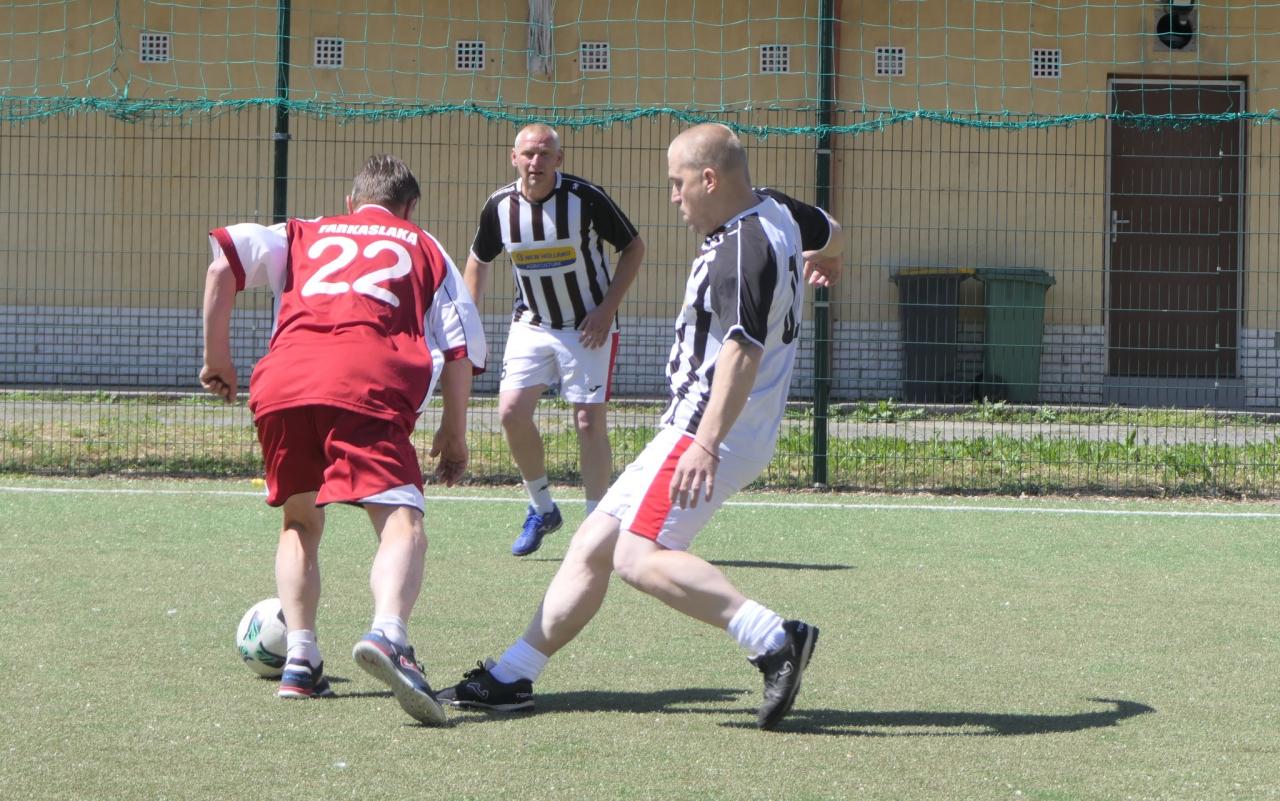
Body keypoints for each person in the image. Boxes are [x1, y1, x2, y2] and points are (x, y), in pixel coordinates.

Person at [437, 124, 844, 730]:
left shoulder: (740, 251)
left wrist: (705, 443)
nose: (674, 197)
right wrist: (828, 259)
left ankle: (773, 639)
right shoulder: (777, 208)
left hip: (709, 428)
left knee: (638, 556)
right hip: (720, 426)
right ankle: (513, 675)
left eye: (679, 184)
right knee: (594, 542)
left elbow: (741, 351)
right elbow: (831, 230)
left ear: (710, 179)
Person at [200, 154, 486, 726]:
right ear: (409, 208)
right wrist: (454, 434)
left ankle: (300, 659)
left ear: (351, 202)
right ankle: (390, 635)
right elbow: (459, 347)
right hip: (367, 382)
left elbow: (221, 266)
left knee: (300, 523)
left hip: (284, 382)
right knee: (402, 522)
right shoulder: (424, 245)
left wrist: (217, 359)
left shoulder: (302, 231)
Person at [464, 123, 646, 557]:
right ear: (514, 158)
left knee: (587, 421)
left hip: (588, 327)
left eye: (545, 154)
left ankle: (597, 525)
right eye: (528, 154)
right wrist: (468, 327)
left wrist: (606, 309)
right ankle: (542, 508)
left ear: (559, 160)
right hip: (532, 324)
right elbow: (478, 261)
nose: (536, 162)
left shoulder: (586, 198)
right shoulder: (499, 207)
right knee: (510, 412)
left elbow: (634, 247)